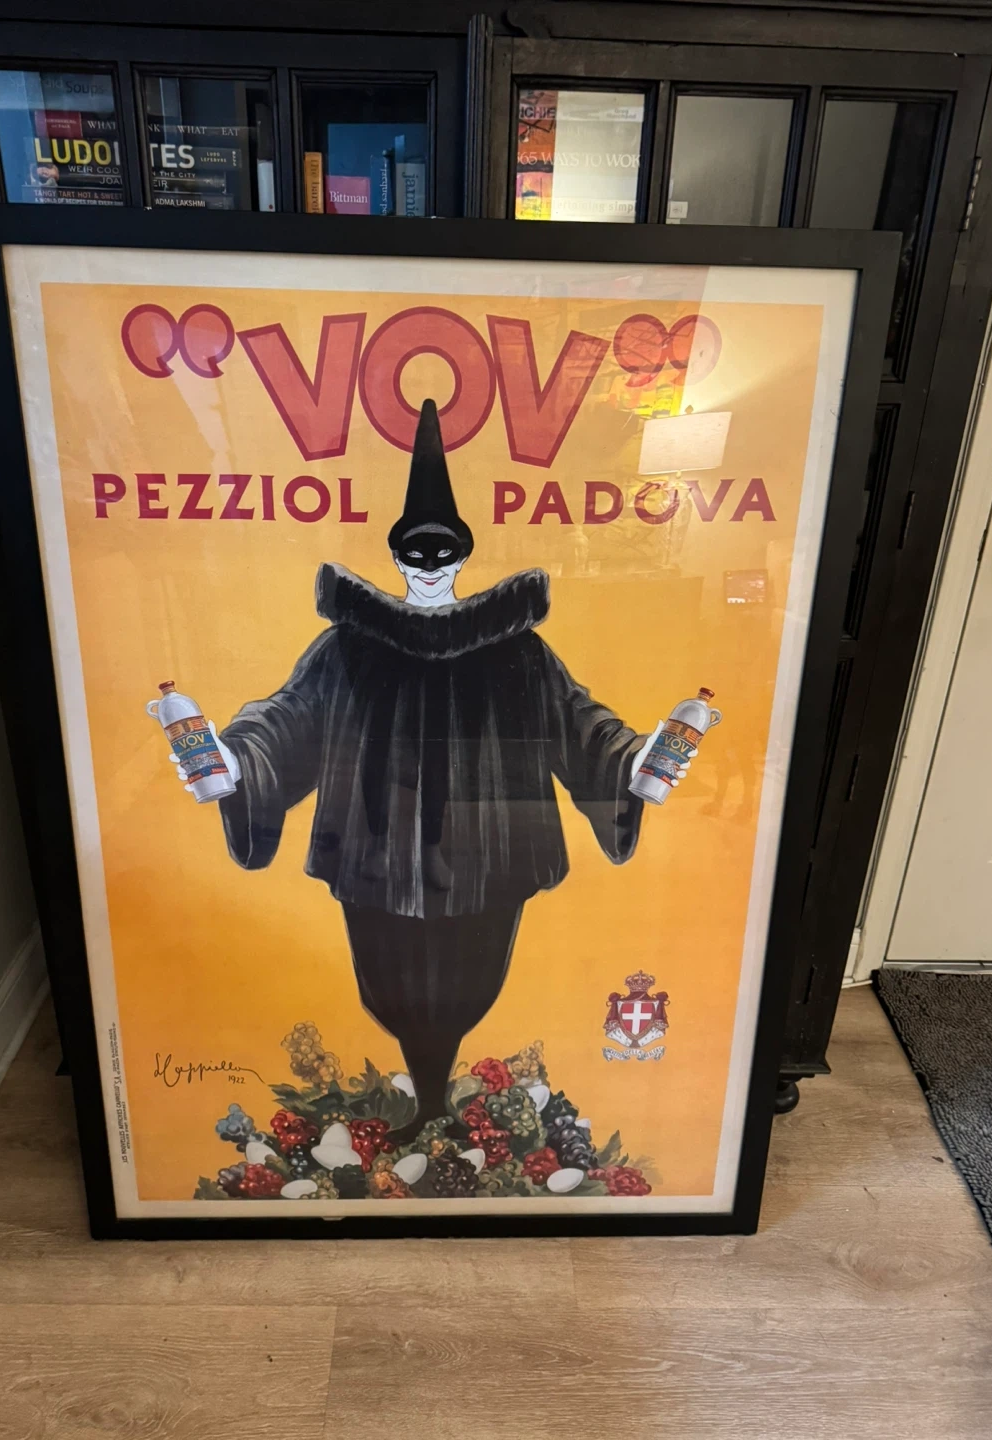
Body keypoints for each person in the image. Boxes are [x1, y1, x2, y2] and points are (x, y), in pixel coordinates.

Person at [166, 399, 684, 1140]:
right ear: (398, 556)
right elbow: (289, 717)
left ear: (463, 556)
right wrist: (234, 758)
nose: (430, 566)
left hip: (487, 853)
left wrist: (634, 758)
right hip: (375, 851)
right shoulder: (347, 646)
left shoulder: (518, 649)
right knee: (390, 984)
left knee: (472, 981)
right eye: (417, 552)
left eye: (443, 552)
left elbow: (576, 721)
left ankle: (436, 1101)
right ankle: (430, 1102)